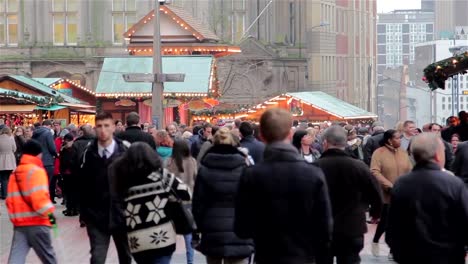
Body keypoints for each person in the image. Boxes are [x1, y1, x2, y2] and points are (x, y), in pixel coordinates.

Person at [235, 108, 332, 264]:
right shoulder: (313, 174)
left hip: (266, 255)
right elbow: (324, 227)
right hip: (302, 255)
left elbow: (242, 228)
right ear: (290, 134)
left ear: (262, 136)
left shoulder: (251, 176)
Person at [386, 133, 468, 264]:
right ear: (437, 155)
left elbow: (393, 225)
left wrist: (398, 251)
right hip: (446, 255)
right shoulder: (454, 184)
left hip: (410, 255)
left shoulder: (401, 184)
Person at [110, 142, 191, 264]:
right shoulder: (161, 176)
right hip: (162, 237)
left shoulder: (124, 181)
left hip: (137, 240)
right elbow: (186, 193)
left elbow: (118, 204)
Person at [315, 126, 383, 264]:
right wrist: (375, 213)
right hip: (352, 226)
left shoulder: (314, 167)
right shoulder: (358, 166)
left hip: (321, 227)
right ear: (344, 143)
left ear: (325, 142)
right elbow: (375, 192)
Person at [193, 127, 255, 264]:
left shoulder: (205, 168)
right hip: (239, 227)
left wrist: (198, 228)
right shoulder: (244, 167)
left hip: (211, 227)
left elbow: (198, 203)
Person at [78, 112, 132, 264]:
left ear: (114, 127)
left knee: (125, 256)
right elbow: (82, 184)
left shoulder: (125, 151)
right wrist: (85, 214)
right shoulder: (88, 153)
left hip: (122, 216)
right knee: (97, 258)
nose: (103, 130)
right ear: (95, 129)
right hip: (96, 217)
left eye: (106, 126)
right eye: (99, 126)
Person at [6, 139, 57, 264]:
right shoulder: (37, 172)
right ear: (38, 154)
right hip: (38, 222)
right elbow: (40, 200)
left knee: (16, 258)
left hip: (19, 224)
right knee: (48, 257)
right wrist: (51, 216)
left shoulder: (15, 174)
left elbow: (9, 200)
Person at [370, 129, 413, 258]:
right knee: (385, 222)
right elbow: (374, 171)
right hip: (386, 195)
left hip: (402, 194)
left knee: (400, 222)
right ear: (389, 140)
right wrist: (389, 186)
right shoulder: (379, 153)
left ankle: (393, 250)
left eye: (400, 138)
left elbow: (410, 170)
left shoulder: (403, 153)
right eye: (397, 138)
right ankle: (376, 240)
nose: (400, 140)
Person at [166, 139, 198, 264]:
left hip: (173, 201)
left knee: (170, 234)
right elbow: (196, 178)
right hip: (189, 200)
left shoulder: (169, 162)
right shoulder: (192, 161)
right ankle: (190, 261)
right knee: (188, 233)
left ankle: (167, 259)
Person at [32, 120, 57, 202]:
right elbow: (52, 148)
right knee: (46, 184)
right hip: (47, 162)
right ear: (49, 126)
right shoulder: (48, 133)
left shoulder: (35, 133)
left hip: (36, 162)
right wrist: (56, 154)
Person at [60, 133, 78, 216]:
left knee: (73, 192)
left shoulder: (74, 149)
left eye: (68, 141)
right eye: (65, 140)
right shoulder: (63, 150)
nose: (66, 142)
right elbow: (61, 161)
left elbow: (72, 161)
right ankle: (69, 208)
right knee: (67, 192)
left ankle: (73, 209)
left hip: (73, 174)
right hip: (65, 174)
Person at [0, 126, 16, 199]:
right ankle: (8, 193)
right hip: (10, 159)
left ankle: (4, 194)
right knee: (8, 177)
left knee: (3, 178)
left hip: (1, 159)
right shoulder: (11, 138)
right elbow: (14, 149)